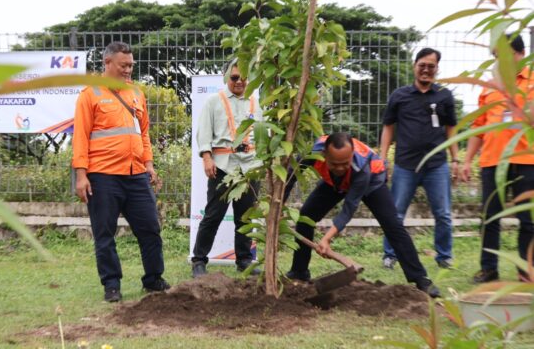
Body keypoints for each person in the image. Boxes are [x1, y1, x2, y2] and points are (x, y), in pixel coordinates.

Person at [285, 132, 441, 298]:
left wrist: (326, 238)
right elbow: (290, 174)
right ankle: (299, 271)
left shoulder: (363, 168)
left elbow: (349, 208)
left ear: (352, 155)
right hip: (335, 183)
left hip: (372, 182)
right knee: (305, 217)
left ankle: (421, 279)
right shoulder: (312, 153)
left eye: (344, 163)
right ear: (324, 155)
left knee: (393, 226)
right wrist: (280, 205)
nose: (339, 168)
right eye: (334, 163)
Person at [72, 41, 169, 303]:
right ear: (107, 63)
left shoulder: (136, 94)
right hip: (102, 176)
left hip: (136, 173)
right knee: (105, 234)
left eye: (131, 66)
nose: (128, 70)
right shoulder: (90, 94)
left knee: (150, 228)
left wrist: (148, 164)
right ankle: (111, 285)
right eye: (123, 65)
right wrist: (81, 175)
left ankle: (153, 279)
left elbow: (143, 132)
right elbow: (80, 137)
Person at [460, 33, 534, 284]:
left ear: (518, 54)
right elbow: (479, 127)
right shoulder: (489, 88)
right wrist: (468, 160)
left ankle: (527, 269)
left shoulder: (532, 83)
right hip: (492, 162)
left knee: (529, 219)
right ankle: (488, 269)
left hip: (527, 160)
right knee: (490, 217)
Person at [379, 48, 458, 270]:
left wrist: (456, 159)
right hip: (406, 165)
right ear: (415, 66)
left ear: (436, 69)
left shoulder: (444, 95)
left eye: (431, 66)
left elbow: (451, 128)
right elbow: (388, 127)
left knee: (443, 214)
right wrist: (382, 158)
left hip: (437, 166)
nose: (426, 70)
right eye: (422, 65)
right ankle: (390, 254)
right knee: (395, 214)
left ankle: (444, 256)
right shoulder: (399, 95)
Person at [190, 60, 263, 278]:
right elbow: (204, 132)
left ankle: (244, 260)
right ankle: (199, 261)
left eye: (243, 77)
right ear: (226, 78)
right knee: (213, 215)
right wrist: (206, 157)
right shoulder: (214, 101)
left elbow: (261, 135)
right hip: (223, 167)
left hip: (250, 167)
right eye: (234, 78)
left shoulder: (255, 102)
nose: (239, 81)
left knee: (246, 217)